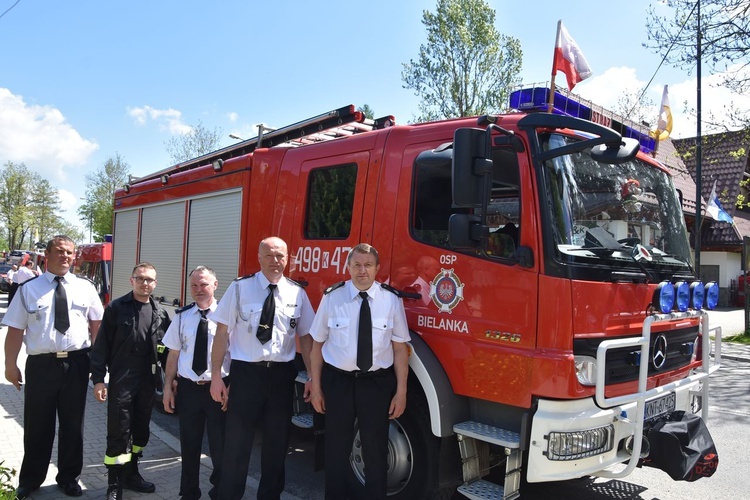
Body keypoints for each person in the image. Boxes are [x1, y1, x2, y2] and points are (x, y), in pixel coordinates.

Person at [210, 236, 314, 500]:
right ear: (259, 257)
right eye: (269, 255)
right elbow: (222, 333)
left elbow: (306, 337)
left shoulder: (297, 293)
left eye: (280, 256)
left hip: (281, 375)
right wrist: (216, 378)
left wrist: (313, 376)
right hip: (246, 374)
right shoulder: (239, 289)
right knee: (237, 443)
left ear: (287, 258)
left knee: (277, 444)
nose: (275, 261)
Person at [2, 235, 104, 498]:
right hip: (41, 365)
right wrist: (9, 365)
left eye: (70, 252)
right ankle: (31, 480)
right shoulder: (29, 289)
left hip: (77, 363)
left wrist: (99, 368)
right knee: (38, 425)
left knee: (73, 424)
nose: (65, 256)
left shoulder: (86, 288)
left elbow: (98, 328)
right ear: (47, 254)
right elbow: (15, 330)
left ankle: (69, 478)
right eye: (60, 251)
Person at [309, 243, 410, 500]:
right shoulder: (332, 297)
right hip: (338, 382)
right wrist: (316, 386)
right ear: (348, 267)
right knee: (336, 450)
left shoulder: (391, 300)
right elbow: (317, 344)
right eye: (356, 264)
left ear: (377, 268)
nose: (361, 270)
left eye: (367, 265)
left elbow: (400, 349)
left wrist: (401, 392)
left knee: (375, 452)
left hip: (375, 384)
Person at [90, 262, 171, 500]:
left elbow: (166, 350)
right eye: (141, 278)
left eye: (150, 280)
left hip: (148, 381)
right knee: (119, 431)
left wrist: (171, 380)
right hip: (122, 380)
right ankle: (114, 483)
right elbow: (101, 347)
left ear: (155, 284)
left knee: (140, 431)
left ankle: (132, 473)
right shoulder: (116, 308)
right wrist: (98, 380)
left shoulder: (160, 313)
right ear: (131, 280)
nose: (145, 283)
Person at [162, 266, 230, 500]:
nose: (199, 289)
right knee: (189, 446)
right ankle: (189, 492)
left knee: (220, 446)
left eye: (204, 284)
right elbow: (173, 353)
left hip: (218, 388)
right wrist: (168, 386)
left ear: (215, 284)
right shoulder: (182, 316)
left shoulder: (228, 315)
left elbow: (240, 355)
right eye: (194, 285)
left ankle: (220, 491)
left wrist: (231, 387)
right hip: (189, 389)